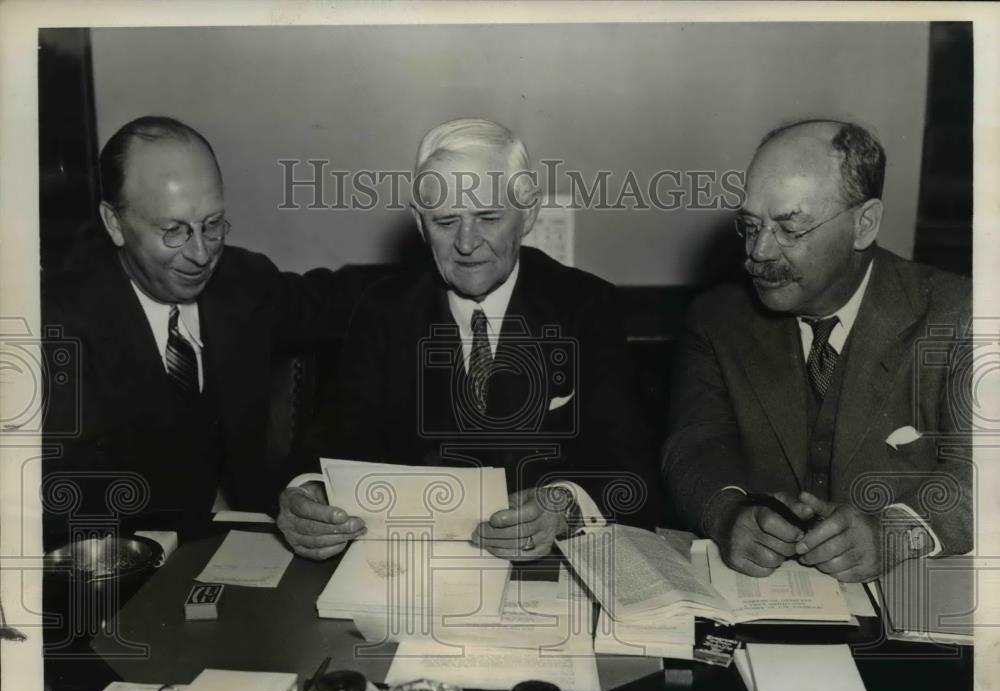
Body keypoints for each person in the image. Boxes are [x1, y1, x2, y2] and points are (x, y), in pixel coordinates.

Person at [277, 118, 663, 560]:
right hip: (413, 568)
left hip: (545, 572)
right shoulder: (383, 310)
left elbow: (631, 473)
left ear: (529, 213)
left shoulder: (587, 306)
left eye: (488, 217)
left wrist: (566, 507)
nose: (466, 243)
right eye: (445, 222)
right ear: (420, 226)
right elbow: (330, 445)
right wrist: (305, 495)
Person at [662, 119, 972, 582]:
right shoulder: (718, 317)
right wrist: (727, 514)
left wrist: (900, 529)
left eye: (791, 228)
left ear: (864, 223)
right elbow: (693, 446)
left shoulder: (960, 314)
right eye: (750, 226)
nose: (760, 252)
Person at [42, 116, 353, 545]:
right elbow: (58, 506)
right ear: (114, 223)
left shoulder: (242, 281)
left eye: (212, 224)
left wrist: (449, 258)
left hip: (251, 553)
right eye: (173, 231)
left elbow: (341, 301)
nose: (201, 254)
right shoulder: (54, 322)